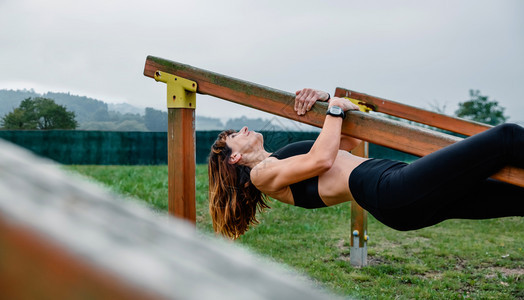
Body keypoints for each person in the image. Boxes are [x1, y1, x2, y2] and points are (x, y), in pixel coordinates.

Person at [208, 88, 524, 239]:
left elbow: (348, 142)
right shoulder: (263, 174)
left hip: (394, 191)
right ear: (235, 157)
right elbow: (323, 158)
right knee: (507, 138)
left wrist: (324, 101)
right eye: (236, 135)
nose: (244, 129)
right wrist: (334, 108)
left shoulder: (278, 163)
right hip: (390, 189)